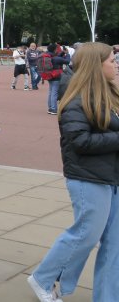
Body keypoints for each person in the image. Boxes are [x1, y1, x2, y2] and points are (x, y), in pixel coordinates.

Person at [27, 42, 119, 302]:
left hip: (111, 177)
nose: (116, 64)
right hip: (87, 178)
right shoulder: (76, 100)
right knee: (84, 235)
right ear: (96, 66)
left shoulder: (109, 94)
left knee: (115, 244)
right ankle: (43, 278)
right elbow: (80, 141)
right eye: (112, 60)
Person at [39, 43, 70, 115]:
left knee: (51, 92)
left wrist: (62, 53)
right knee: (54, 93)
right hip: (56, 76)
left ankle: (50, 108)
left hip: (49, 75)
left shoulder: (49, 56)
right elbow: (67, 61)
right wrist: (67, 54)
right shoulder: (56, 58)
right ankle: (53, 109)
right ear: (55, 49)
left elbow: (58, 57)